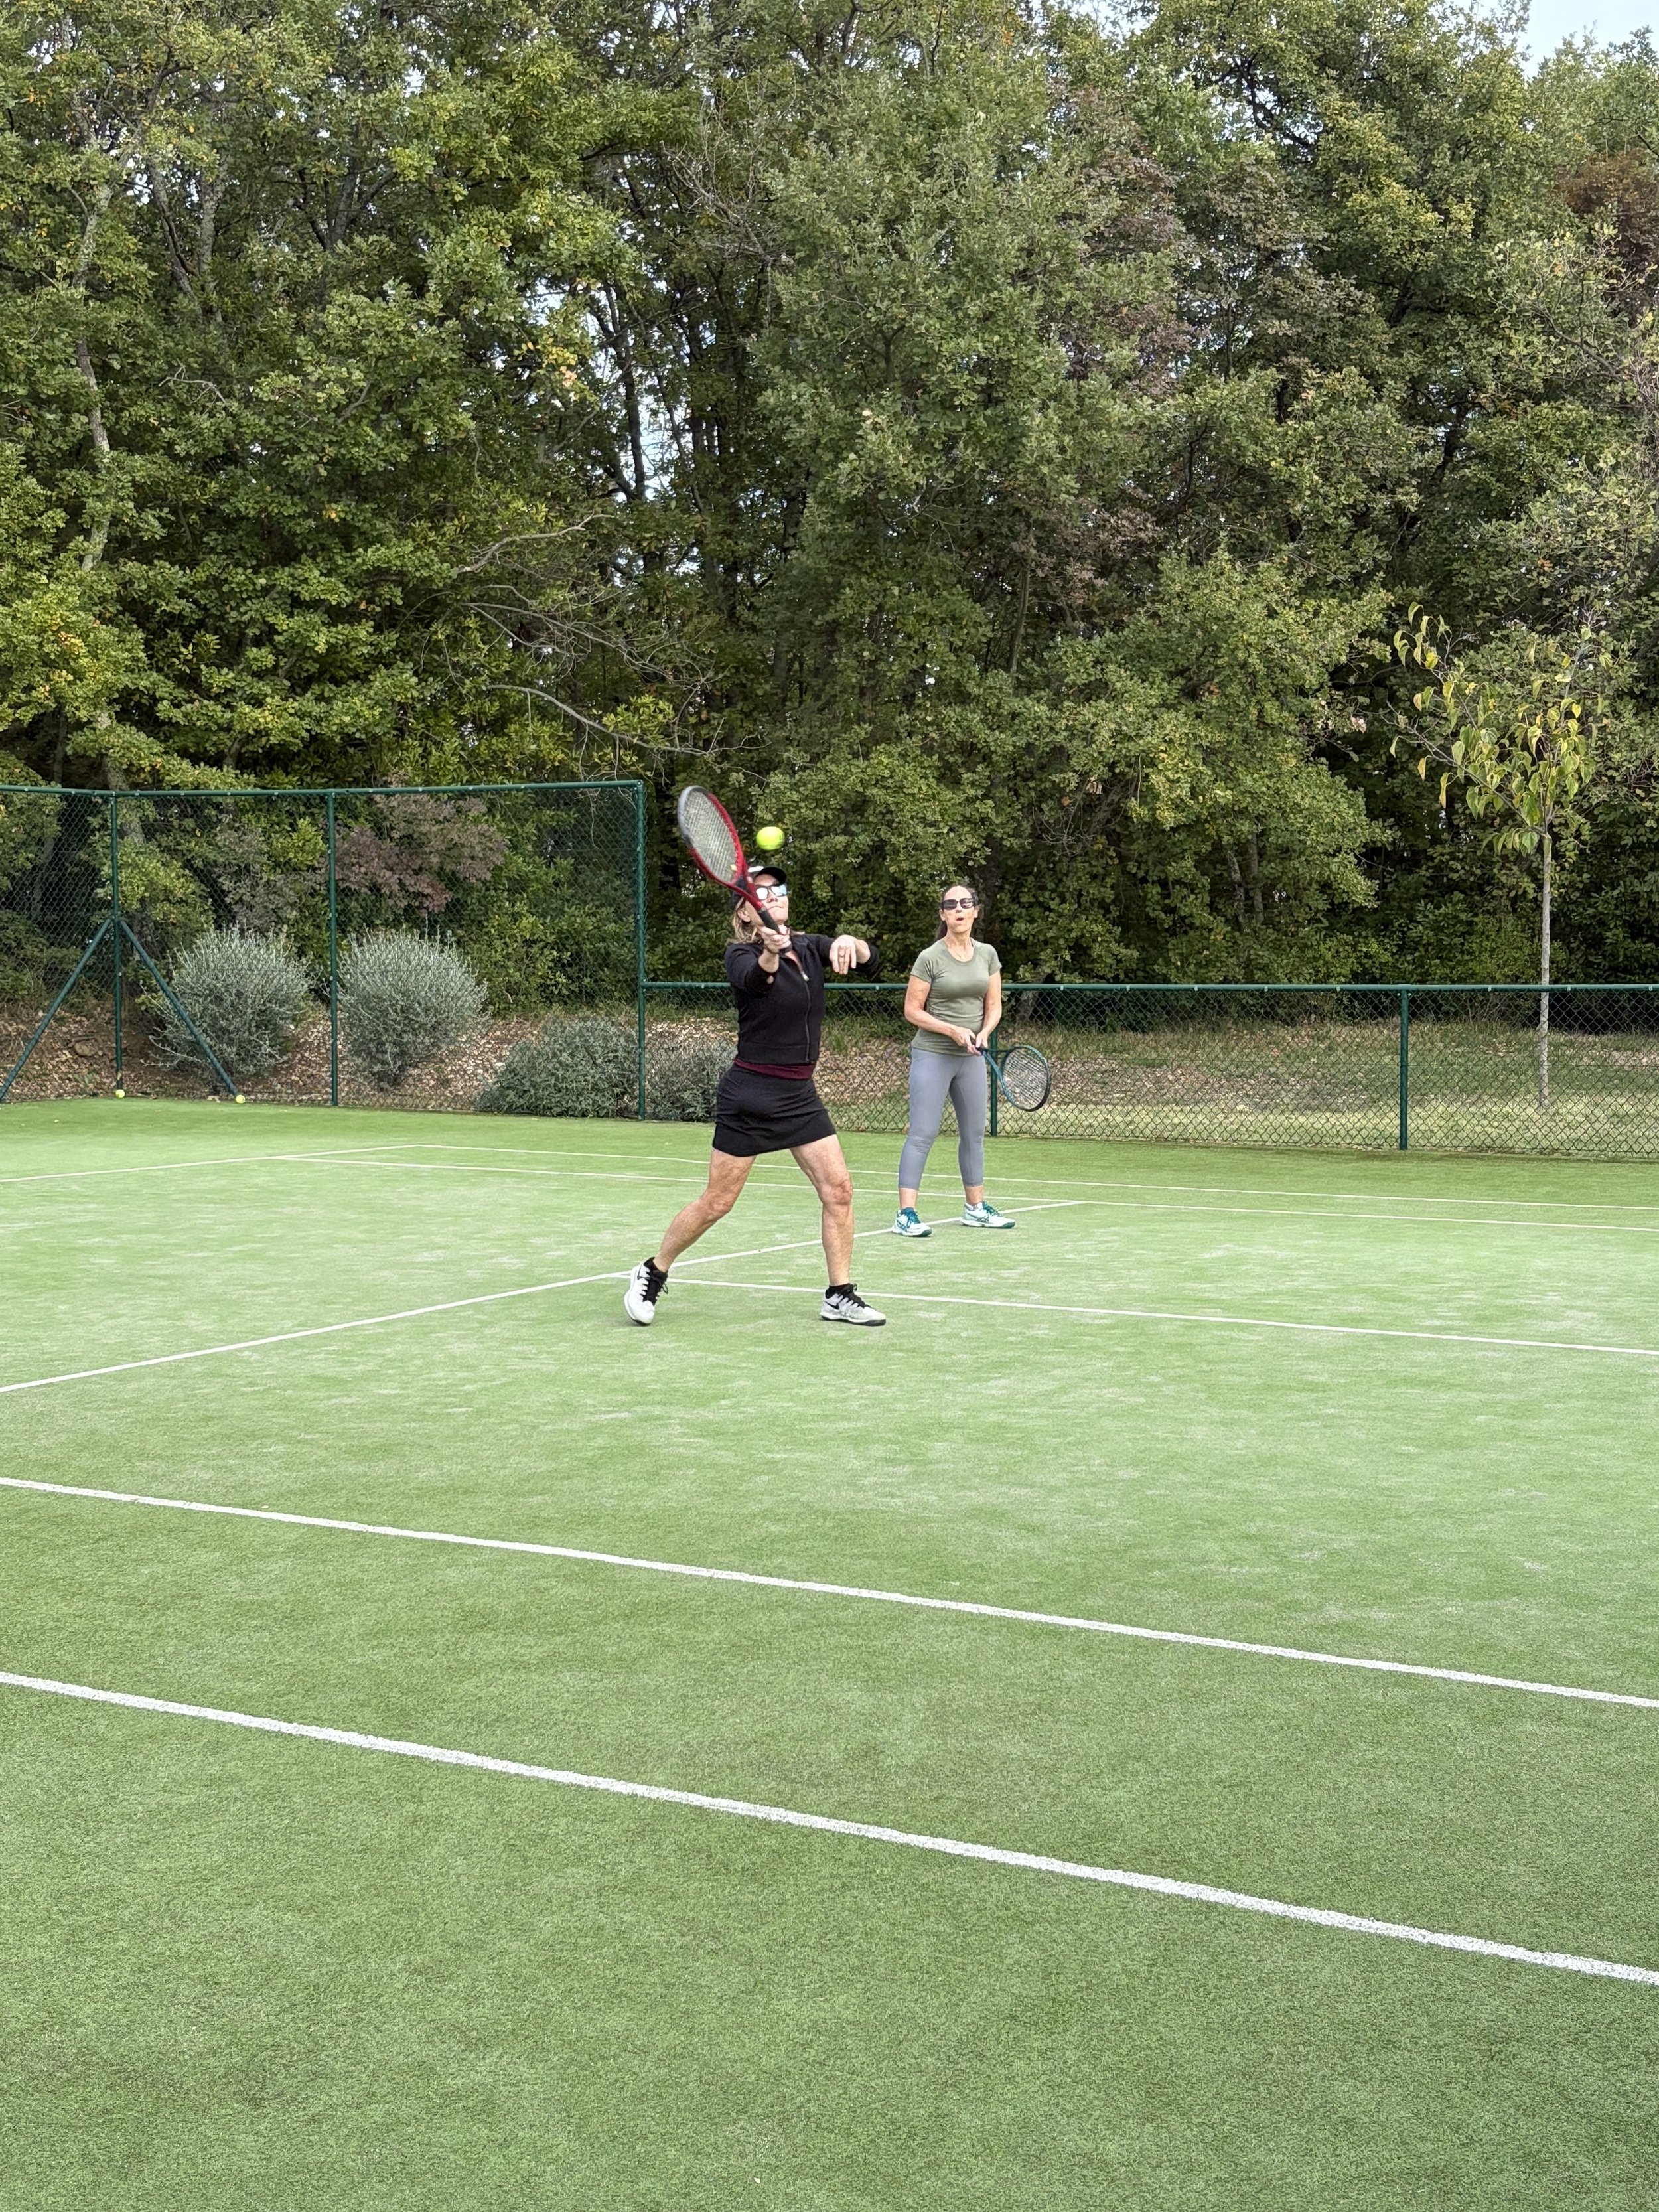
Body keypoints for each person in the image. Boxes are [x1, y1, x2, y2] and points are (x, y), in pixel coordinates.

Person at [624, 862, 886, 1325]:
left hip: (799, 1096)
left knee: (839, 1190)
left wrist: (853, 944)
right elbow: (755, 980)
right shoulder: (739, 955)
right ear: (745, 913)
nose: (774, 895)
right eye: (761, 892)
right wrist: (769, 952)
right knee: (717, 1202)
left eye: (778, 888)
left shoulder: (809, 947)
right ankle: (652, 1270)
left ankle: (838, 1293)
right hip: (750, 1096)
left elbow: (873, 960)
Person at [892, 884, 1015, 1237]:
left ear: (976, 911)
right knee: (922, 1134)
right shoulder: (930, 958)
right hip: (933, 1054)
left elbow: (994, 1005)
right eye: (951, 905)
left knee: (974, 1134)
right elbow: (912, 1011)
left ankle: (975, 1209)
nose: (958, 909)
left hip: (972, 1058)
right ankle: (906, 1214)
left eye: (965, 903)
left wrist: (985, 1032)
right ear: (943, 914)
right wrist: (951, 1030)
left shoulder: (988, 954)